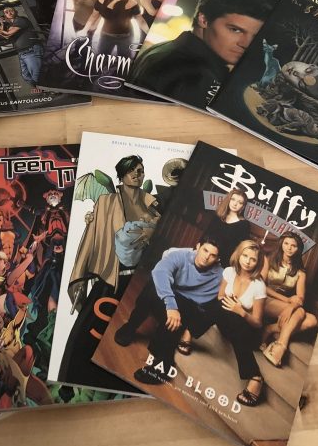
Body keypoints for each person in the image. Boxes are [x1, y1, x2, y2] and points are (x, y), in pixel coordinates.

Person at [58, 155, 161, 388]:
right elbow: (91, 236)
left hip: (140, 282)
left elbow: (161, 231)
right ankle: (73, 384)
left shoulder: (152, 204)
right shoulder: (106, 202)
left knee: (133, 342)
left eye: (140, 170)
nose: (137, 174)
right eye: (131, 170)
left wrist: (152, 232)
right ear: (121, 175)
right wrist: (80, 274)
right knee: (86, 337)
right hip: (111, 280)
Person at [128, 0, 272, 108]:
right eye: (235, 30)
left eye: (254, 37)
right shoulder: (194, 73)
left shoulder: (169, 50)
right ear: (204, 20)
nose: (246, 44)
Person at [113, 239, 223, 385]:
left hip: (190, 306)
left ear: (217, 259)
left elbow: (218, 302)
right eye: (205, 250)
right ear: (198, 247)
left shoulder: (220, 275)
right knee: (153, 286)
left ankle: (163, 363)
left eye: (213, 255)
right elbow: (160, 272)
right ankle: (131, 326)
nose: (207, 256)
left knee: (179, 315)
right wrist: (171, 305)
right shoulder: (180, 255)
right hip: (169, 296)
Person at [177, 187, 251, 355]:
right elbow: (204, 237)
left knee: (213, 299)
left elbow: (239, 251)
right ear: (229, 200)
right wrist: (198, 250)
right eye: (234, 200)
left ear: (243, 206)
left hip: (223, 266)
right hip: (205, 258)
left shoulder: (244, 225)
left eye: (240, 202)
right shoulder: (218, 217)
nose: (236, 204)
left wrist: (224, 264)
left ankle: (189, 332)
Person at [216, 240, 266, 407]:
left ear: (258, 262)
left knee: (236, 318)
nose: (248, 261)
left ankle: (255, 376)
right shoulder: (229, 272)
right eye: (245, 256)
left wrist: (241, 311)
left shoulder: (259, 285)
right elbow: (220, 297)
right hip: (228, 322)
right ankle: (188, 330)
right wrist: (230, 303)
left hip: (248, 331)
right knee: (215, 306)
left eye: (253, 259)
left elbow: (258, 323)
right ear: (238, 255)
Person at [260, 233, 318, 367]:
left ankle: (272, 330)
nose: (289, 248)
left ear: (298, 249)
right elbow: (261, 286)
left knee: (312, 320)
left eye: (293, 246)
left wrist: (291, 307)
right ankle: (280, 347)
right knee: (300, 311)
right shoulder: (268, 259)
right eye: (286, 243)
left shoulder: (300, 272)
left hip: (285, 305)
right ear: (281, 244)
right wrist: (287, 301)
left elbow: (300, 298)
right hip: (264, 299)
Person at [78, 0, 147, 57]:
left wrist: (149, 34)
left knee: (124, 59)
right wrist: (84, 30)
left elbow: (141, 21)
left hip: (126, 36)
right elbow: (93, 16)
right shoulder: (101, 0)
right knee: (101, 58)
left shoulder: (132, 3)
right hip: (106, 36)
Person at [0, 5, 43, 87]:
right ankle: (41, 87)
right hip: (22, 52)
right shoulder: (12, 24)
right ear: (5, 15)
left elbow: (7, 34)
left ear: (16, 12)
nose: (9, 13)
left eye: (11, 10)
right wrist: (1, 25)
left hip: (30, 50)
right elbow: (4, 36)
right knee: (26, 75)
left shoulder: (20, 20)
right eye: (6, 12)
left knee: (36, 75)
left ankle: (46, 89)